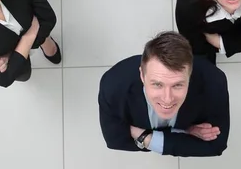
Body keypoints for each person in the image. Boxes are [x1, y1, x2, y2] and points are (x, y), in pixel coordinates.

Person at [98, 31, 229, 157]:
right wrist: (185, 132)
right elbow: (115, 141)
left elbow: (216, 145)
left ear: (190, 77)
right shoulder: (113, 86)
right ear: (142, 76)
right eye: (157, 84)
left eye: (177, 85)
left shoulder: (214, 82)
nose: (167, 99)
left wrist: (140, 134)